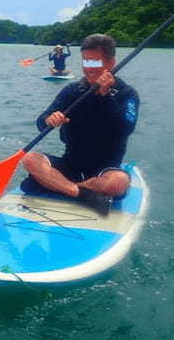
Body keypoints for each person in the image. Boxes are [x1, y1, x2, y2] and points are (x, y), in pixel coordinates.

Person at [20, 34, 139, 216]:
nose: (88, 69)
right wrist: (49, 120)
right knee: (30, 159)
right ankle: (83, 194)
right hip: (71, 164)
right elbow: (41, 121)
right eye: (86, 62)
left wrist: (105, 96)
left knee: (118, 182)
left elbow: (126, 129)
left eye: (95, 63)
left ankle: (58, 186)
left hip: (104, 170)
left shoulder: (127, 94)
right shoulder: (72, 91)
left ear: (110, 63)